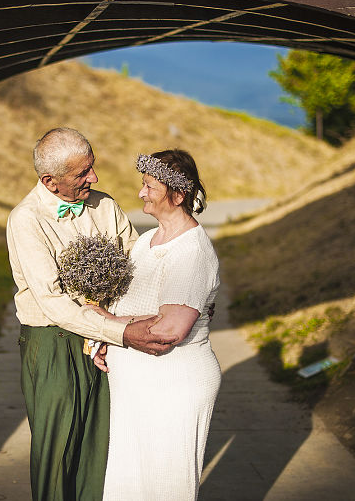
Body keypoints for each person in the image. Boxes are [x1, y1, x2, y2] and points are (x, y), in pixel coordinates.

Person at [6, 128, 177, 501]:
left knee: (102, 448)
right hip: (53, 346)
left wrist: (177, 295)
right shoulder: (26, 220)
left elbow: (139, 265)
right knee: (58, 453)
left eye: (92, 167)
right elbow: (53, 303)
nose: (94, 178)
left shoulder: (105, 206)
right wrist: (122, 333)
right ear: (50, 182)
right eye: (82, 173)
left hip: (108, 342)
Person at [88, 149, 221, 501]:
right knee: (128, 485)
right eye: (143, 184)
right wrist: (106, 340)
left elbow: (169, 330)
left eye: (150, 186)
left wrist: (107, 323)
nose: (141, 193)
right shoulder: (147, 241)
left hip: (173, 385)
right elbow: (131, 306)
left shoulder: (191, 252)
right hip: (134, 388)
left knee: (165, 486)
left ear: (177, 195)